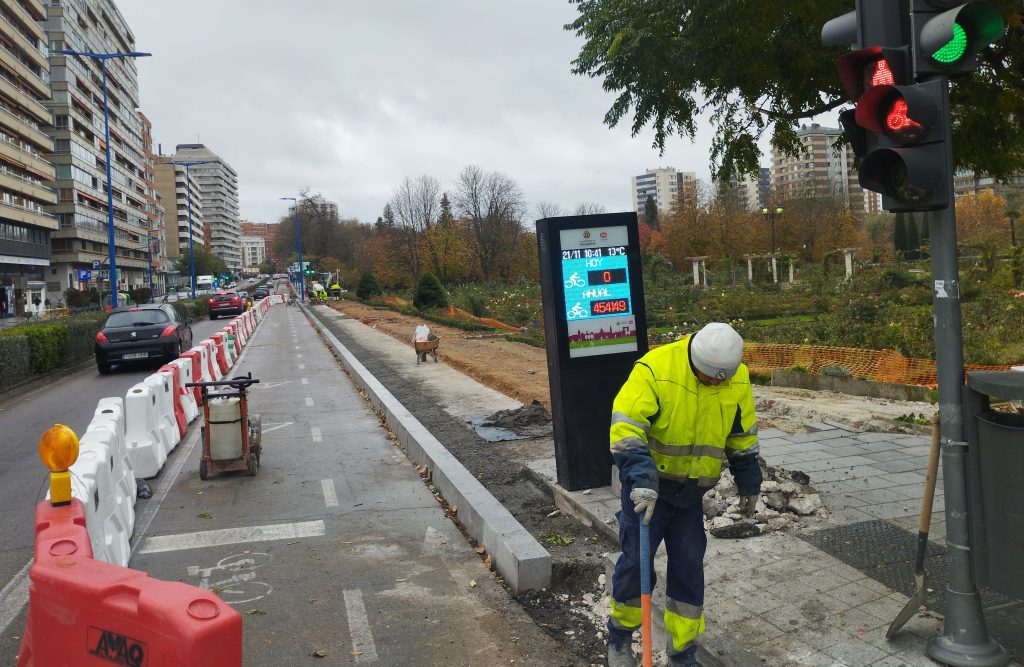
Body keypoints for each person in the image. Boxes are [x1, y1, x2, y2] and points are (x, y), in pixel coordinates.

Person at [606, 322, 762, 667]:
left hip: (690, 495)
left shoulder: (737, 377)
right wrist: (641, 477)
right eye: (711, 378)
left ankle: (682, 652)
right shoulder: (655, 369)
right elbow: (627, 428)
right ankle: (619, 638)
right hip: (648, 491)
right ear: (695, 362)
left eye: (723, 378)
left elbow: (741, 433)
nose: (717, 384)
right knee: (636, 564)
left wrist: (749, 480)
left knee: (689, 569)